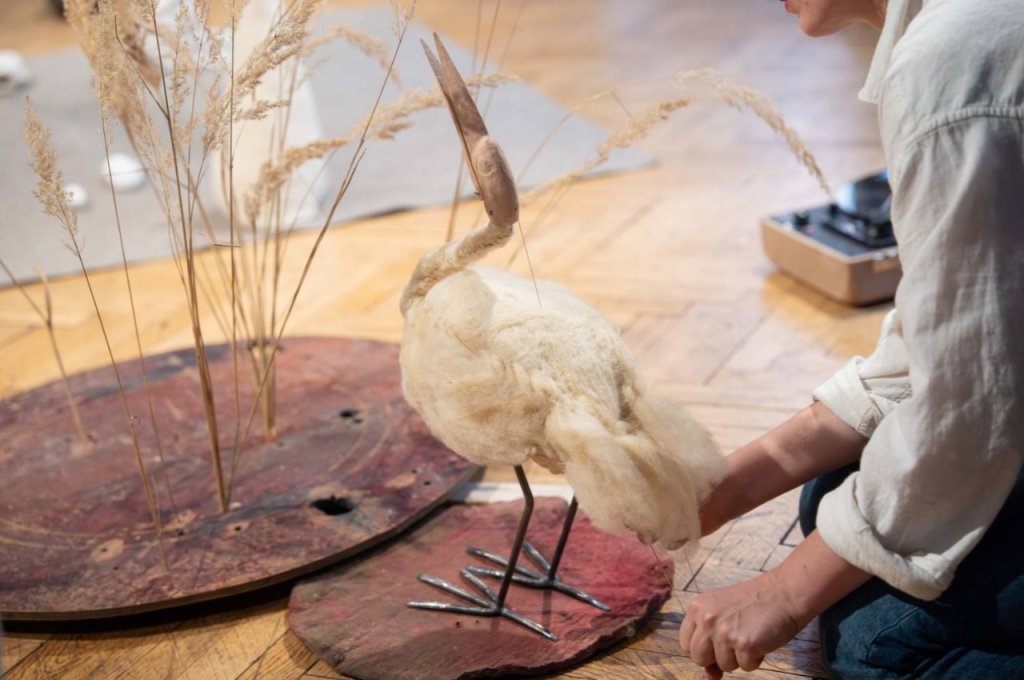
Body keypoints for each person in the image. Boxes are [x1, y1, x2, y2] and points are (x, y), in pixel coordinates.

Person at [678, 0, 1024, 677]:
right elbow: (953, 331)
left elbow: (975, 400)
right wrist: (724, 491)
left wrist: (783, 592)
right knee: (831, 494)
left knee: (877, 644)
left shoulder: (951, 60)